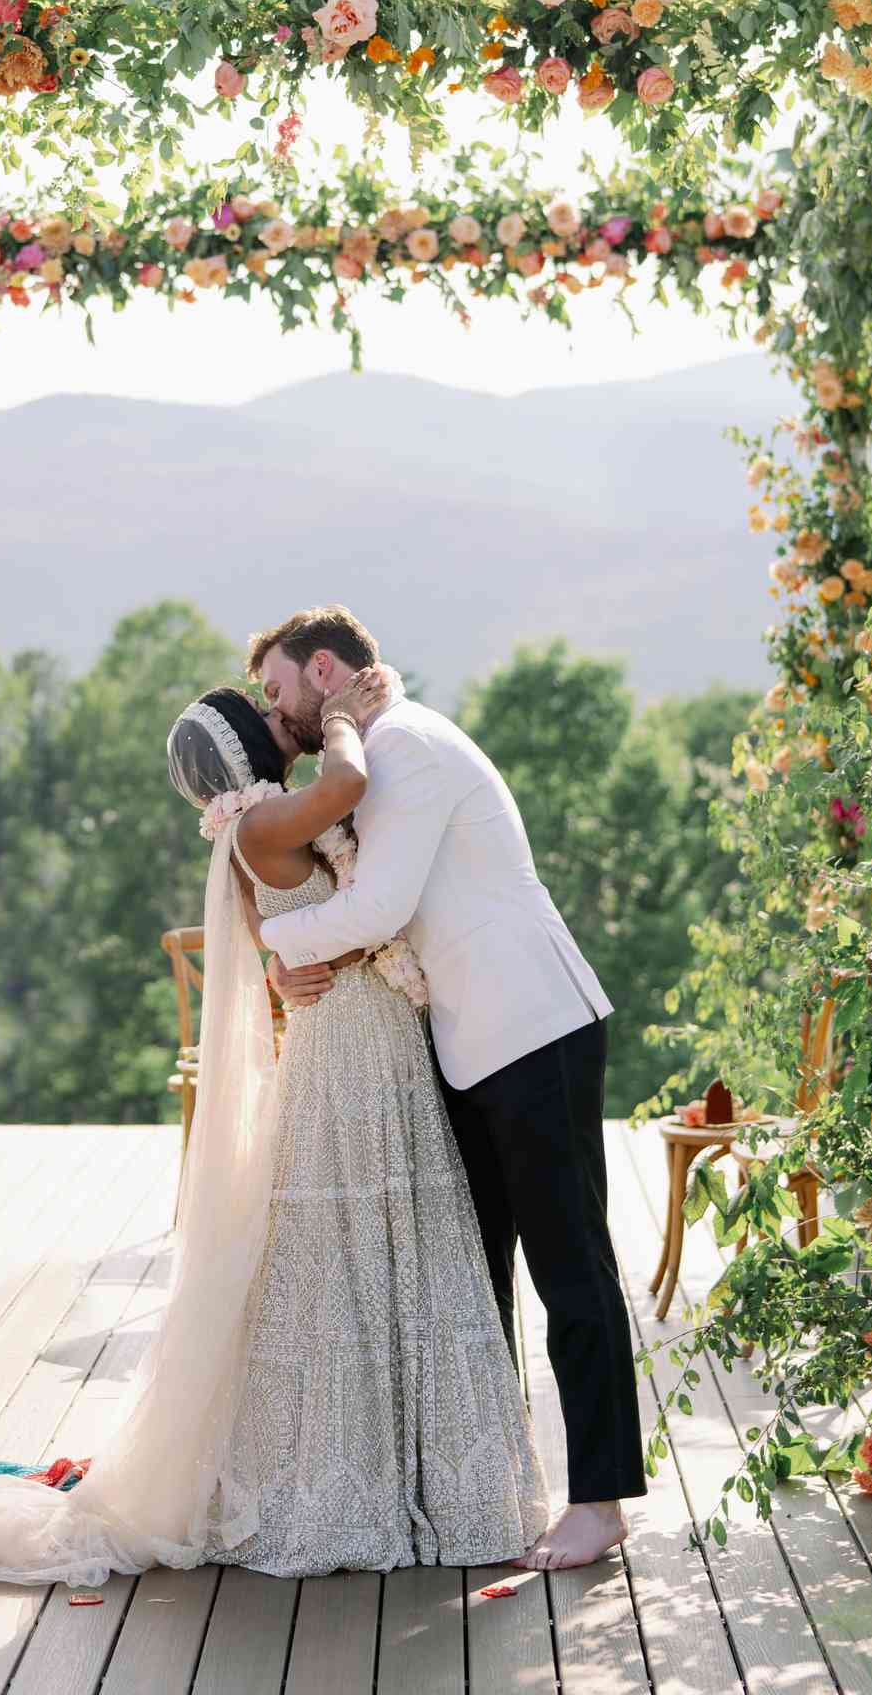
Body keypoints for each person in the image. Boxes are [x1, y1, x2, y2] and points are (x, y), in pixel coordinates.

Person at [0, 671, 546, 1587]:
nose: (280, 719)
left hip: (366, 1027)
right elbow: (346, 790)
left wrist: (287, 955)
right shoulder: (263, 821)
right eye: (265, 716)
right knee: (346, 1250)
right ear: (241, 752)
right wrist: (344, 717)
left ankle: (411, 1472)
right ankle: (343, 1482)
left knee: (389, 1245)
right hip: (348, 1044)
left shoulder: (261, 818)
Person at [254, 606, 645, 1571]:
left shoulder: (411, 749)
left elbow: (380, 905)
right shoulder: (373, 749)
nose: (277, 713)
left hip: (533, 1027)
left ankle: (601, 1500)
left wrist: (274, 946)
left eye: (279, 690)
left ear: (327, 669)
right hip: (468, 1045)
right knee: (474, 1278)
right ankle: (487, 1487)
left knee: (570, 1266)